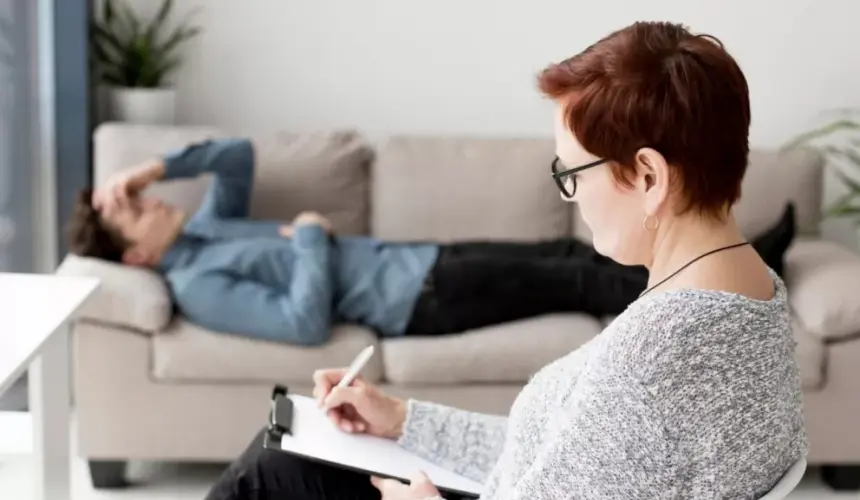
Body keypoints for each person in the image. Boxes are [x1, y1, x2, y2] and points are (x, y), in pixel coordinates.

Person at [204, 21, 807, 500]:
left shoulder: (655, 354)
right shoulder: (754, 292)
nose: (566, 191)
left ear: (648, 175)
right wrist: (404, 420)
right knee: (281, 454)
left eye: (571, 171)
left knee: (267, 472)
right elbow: (553, 457)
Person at [67, 132, 792, 346]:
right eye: (134, 210)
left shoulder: (208, 226)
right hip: (419, 301)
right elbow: (301, 322)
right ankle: (718, 294)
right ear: (134, 257)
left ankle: (726, 265)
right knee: (577, 279)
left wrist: (149, 165)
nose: (151, 201)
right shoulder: (195, 285)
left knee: (574, 255)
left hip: (423, 260)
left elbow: (235, 157)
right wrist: (313, 240)